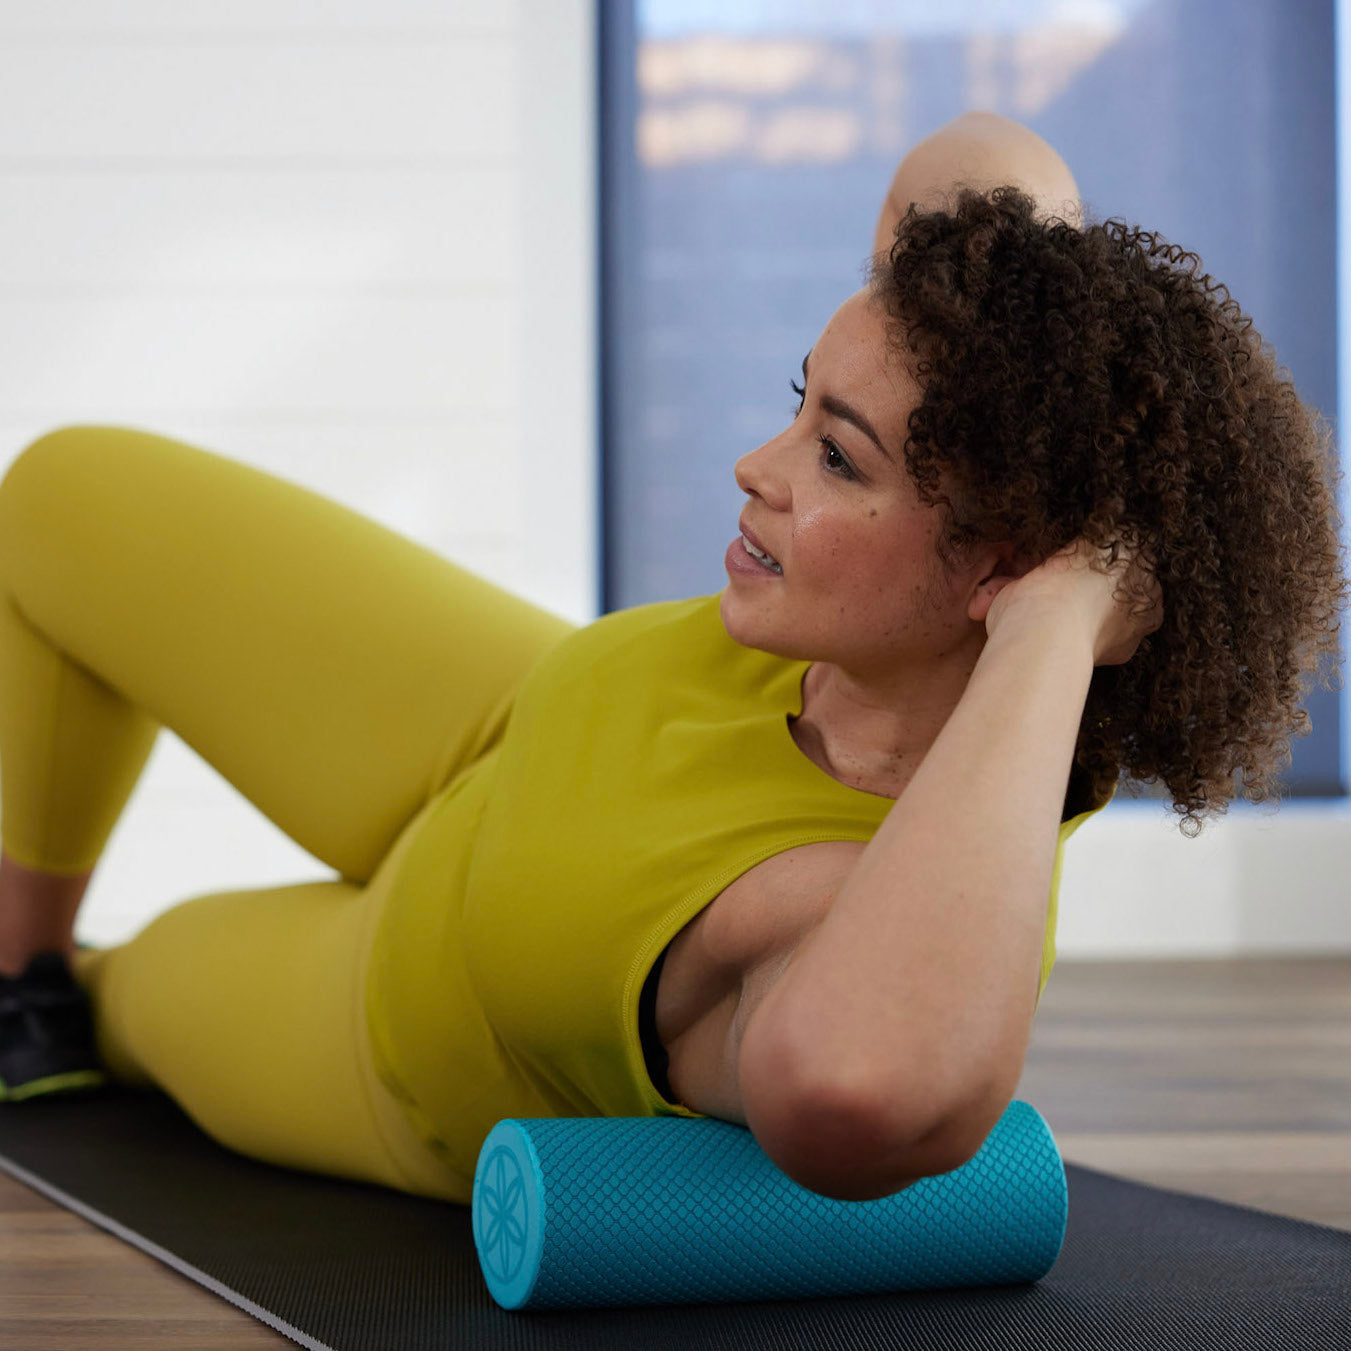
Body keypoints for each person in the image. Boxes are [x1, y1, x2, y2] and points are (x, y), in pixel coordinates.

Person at [0, 112, 1343, 1206]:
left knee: (122, 990)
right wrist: (1046, 331)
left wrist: (1062, 617)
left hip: (391, 998)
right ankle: (16, 965)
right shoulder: (878, 574)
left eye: (837, 458)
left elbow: (866, 1091)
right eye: (798, 405)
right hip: (507, 710)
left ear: (1005, 573)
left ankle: (41, 1018)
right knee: (65, 498)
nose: (756, 467)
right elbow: (982, 157)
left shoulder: (856, 910)